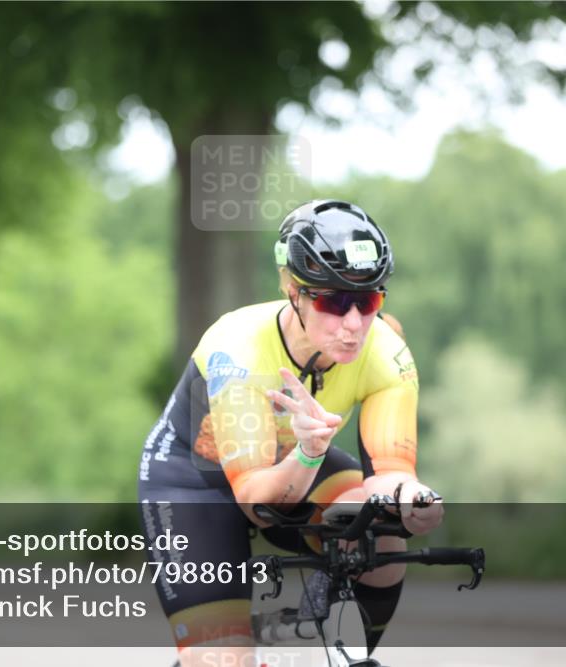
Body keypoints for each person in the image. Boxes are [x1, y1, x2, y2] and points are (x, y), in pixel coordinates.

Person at [138, 200, 443, 667]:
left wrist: (414, 499)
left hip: (303, 456)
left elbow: (390, 472)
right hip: (195, 480)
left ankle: (324, 643)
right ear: (292, 289)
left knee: (381, 532)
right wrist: (306, 452)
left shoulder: (386, 349)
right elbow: (261, 504)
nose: (354, 324)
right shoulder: (237, 349)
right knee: (224, 661)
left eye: (369, 301)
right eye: (334, 301)